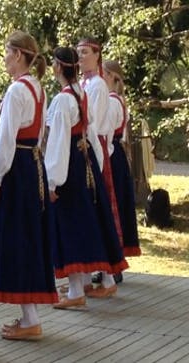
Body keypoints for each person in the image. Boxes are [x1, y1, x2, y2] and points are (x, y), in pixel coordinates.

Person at [45, 47, 127, 310]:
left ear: (58, 67)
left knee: (68, 223)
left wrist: (52, 181)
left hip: (69, 163)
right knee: (81, 221)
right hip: (84, 160)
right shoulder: (79, 93)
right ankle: (78, 286)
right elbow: (89, 130)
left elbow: (57, 142)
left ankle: (76, 290)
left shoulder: (63, 99)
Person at [0, 31, 57, 342]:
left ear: (17, 55)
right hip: (33, 166)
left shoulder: (17, 91)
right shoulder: (37, 88)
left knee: (18, 238)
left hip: (18, 169)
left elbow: (5, 141)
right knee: (29, 236)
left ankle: (31, 319)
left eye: (6, 52)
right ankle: (30, 315)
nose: (4, 58)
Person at [77, 37, 122, 296]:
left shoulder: (97, 86)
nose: (80, 57)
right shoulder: (84, 84)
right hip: (86, 149)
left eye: (85, 53)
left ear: (97, 55)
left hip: (93, 150)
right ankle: (83, 278)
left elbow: (91, 124)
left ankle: (107, 279)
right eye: (78, 53)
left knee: (99, 213)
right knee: (88, 214)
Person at [102, 60, 141, 260]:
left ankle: (113, 260)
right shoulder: (117, 100)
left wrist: (101, 158)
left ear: (110, 76)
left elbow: (107, 132)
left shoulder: (112, 101)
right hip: (115, 152)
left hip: (111, 154)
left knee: (111, 204)